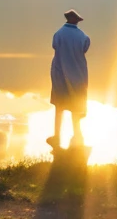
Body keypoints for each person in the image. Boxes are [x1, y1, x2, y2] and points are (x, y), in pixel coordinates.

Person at [48, 9, 90, 150]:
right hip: (78, 76)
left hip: (60, 74)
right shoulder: (83, 37)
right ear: (76, 20)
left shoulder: (58, 34)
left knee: (59, 107)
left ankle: (56, 137)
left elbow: (55, 47)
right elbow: (85, 49)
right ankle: (77, 136)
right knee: (76, 107)